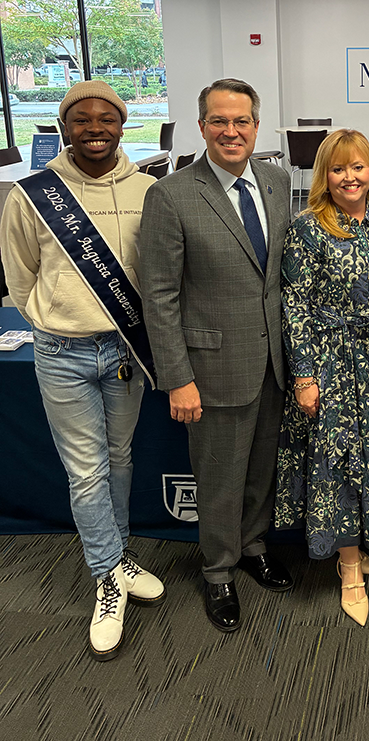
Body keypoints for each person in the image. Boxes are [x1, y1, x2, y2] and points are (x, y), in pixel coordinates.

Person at [0, 81, 165, 661]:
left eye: (106, 119)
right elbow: (19, 279)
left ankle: (117, 560)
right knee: (88, 471)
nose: (95, 128)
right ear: (65, 127)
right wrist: (57, 318)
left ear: (122, 125)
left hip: (124, 353)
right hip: (62, 353)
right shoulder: (30, 194)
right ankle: (106, 577)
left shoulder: (150, 190)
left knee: (119, 459)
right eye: (82, 120)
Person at [139, 78, 293, 633]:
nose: (232, 132)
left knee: (260, 471)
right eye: (220, 122)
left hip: (273, 363)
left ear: (256, 125)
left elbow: (276, 280)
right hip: (210, 368)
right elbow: (158, 296)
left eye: (242, 121)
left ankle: (253, 548)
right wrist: (177, 377)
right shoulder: (172, 194)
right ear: (202, 126)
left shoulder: (277, 183)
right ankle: (219, 571)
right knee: (219, 476)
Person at [275, 129, 369, 626]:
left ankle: (359, 544)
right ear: (325, 175)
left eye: (357, 167)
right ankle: (348, 567)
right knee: (339, 461)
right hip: (331, 365)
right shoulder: (308, 228)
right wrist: (305, 376)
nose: (349, 177)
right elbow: (294, 306)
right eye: (338, 169)